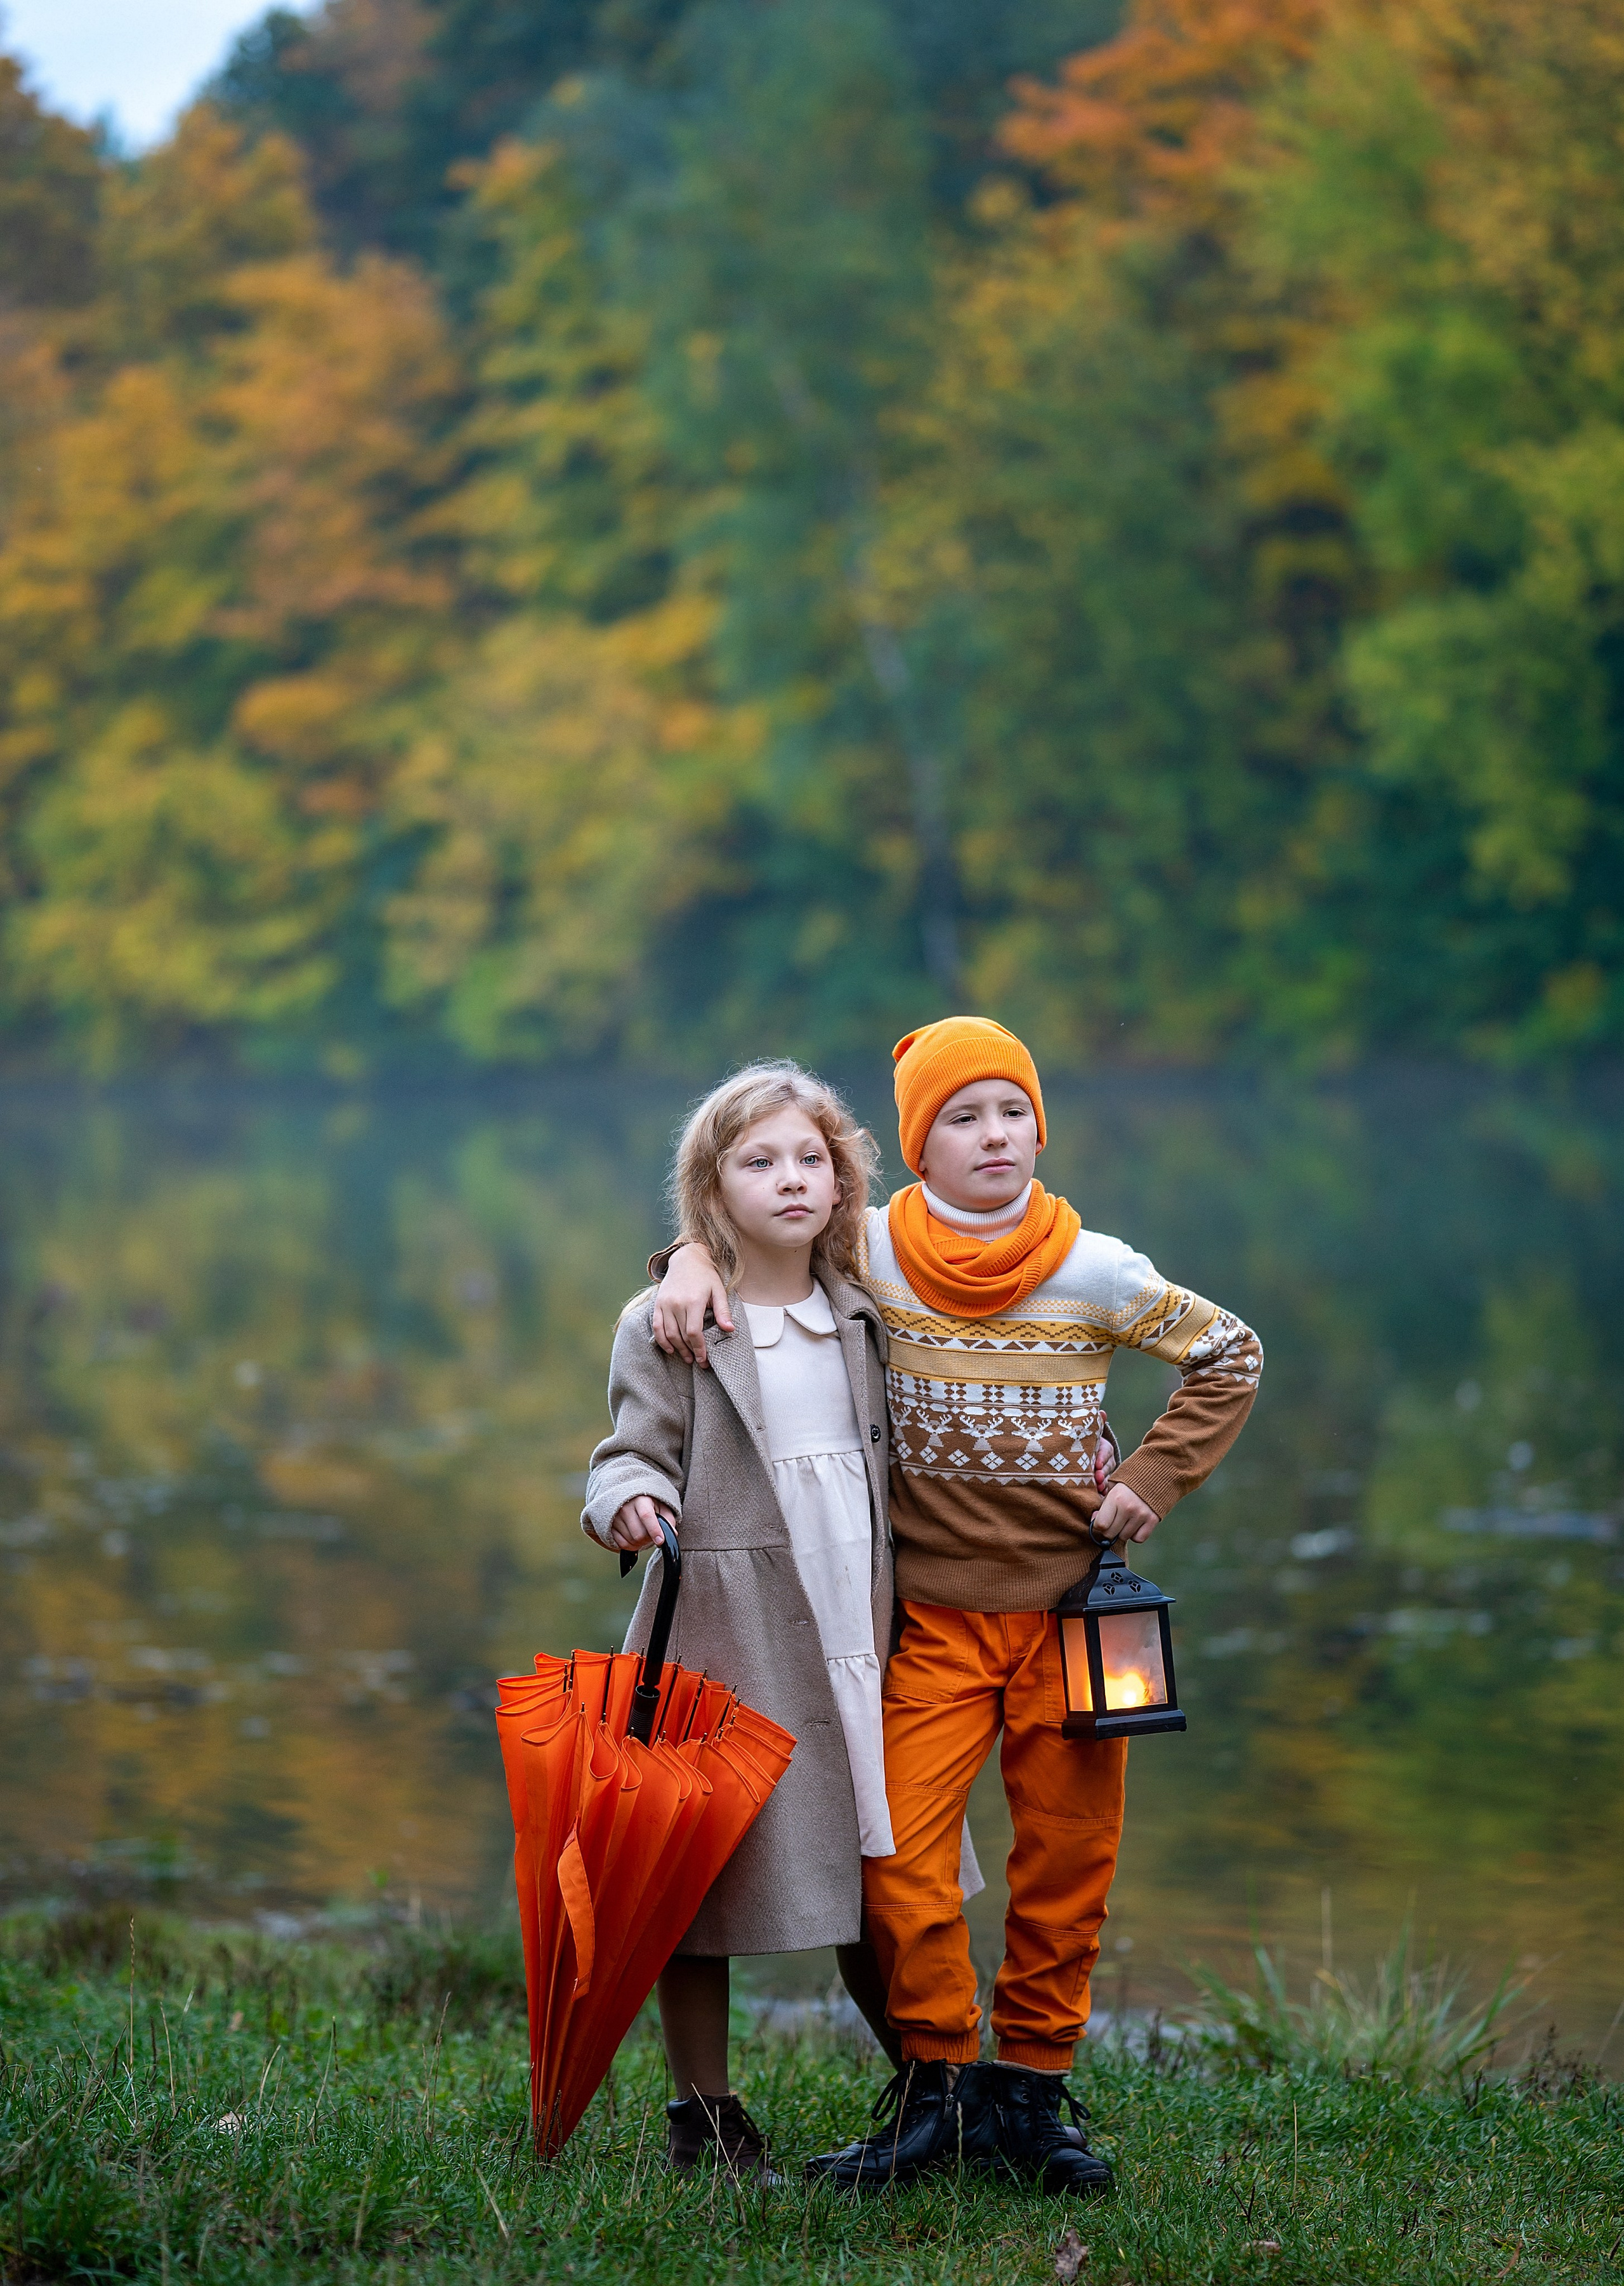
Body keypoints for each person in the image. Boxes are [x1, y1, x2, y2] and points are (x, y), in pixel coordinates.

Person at [649, 1016, 1264, 2195]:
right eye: (962, 1118)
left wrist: (1147, 1479)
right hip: (929, 1621)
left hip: (1074, 1626)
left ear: (1043, 1126)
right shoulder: (867, 1251)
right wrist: (678, 1262)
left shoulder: (1098, 1269)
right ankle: (937, 2085)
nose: (995, 1136)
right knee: (901, 1858)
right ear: (914, 1150)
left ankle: (1032, 2093)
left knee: (1068, 1861)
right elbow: (742, 1240)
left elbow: (1229, 1354)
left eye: (1013, 1112)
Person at [582, 1060, 920, 2181]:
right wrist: (631, 1500)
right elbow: (629, 1449)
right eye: (757, 1160)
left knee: (880, 1868)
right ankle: (705, 2117)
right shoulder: (676, 1319)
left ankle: (932, 2091)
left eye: (810, 1159)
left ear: (843, 1180)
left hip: (858, 1630)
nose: (789, 1180)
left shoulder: (867, 1307)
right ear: (711, 1188)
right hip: (727, 1639)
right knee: (701, 1884)